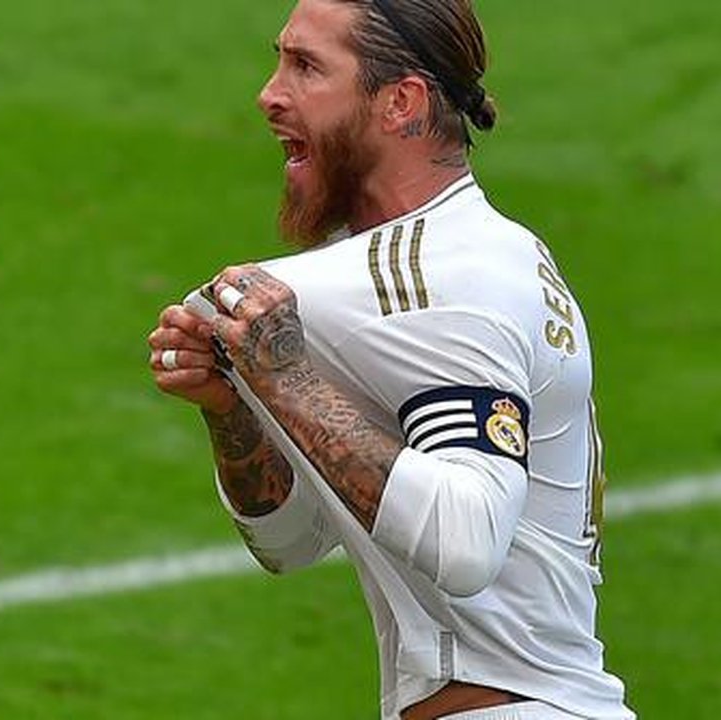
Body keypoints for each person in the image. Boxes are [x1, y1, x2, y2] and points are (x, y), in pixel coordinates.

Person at [147, 1, 635, 718]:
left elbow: (466, 540)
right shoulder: (421, 271)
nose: (269, 95)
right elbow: (292, 540)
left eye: (306, 67)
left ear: (401, 102)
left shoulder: (447, 274)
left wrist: (283, 376)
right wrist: (235, 408)